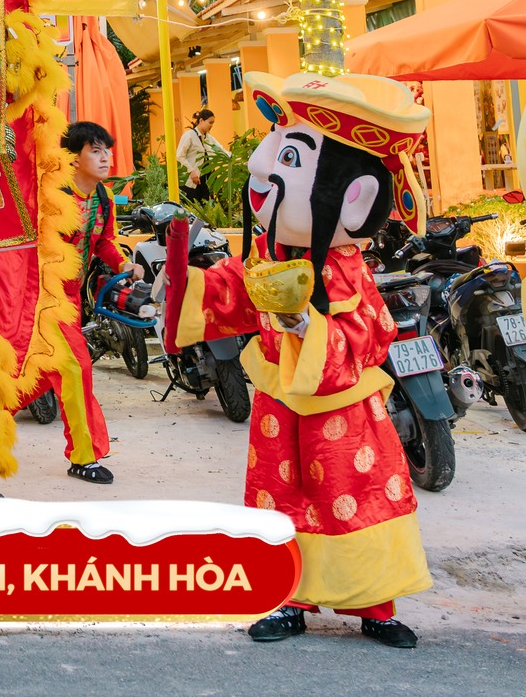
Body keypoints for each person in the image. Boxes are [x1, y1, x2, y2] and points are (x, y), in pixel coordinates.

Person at [164, 72, 433, 649]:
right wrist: (184, 280)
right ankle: (288, 598)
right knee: (279, 498)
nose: (262, 170)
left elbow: (372, 333)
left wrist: (311, 326)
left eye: (289, 157)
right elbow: (233, 290)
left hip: (343, 408)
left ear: (354, 196)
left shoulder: (345, 267)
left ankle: (375, 603)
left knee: (356, 494)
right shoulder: (267, 252)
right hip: (278, 403)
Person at [52, 121, 124, 485]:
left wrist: (126, 265)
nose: (104, 157)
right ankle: (84, 454)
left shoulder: (103, 199)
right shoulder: (53, 195)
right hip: (43, 296)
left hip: (73, 298)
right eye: (94, 150)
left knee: (32, 381)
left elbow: (105, 243)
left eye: (106, 150)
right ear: (74, 157)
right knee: (76, 368)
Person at [176, 108, 220, 203]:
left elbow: (220, 149)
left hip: (204, 181)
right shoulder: (189, 135)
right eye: (210, 122)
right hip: (191, 182)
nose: (211, 125)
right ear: (201, 120)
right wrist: (191, 172)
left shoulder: (207, 137)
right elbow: (179, 156)